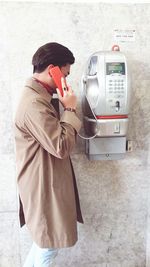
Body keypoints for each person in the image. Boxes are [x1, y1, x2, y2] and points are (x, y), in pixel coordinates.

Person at [14, 42, 83, 267]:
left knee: (43, 244)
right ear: (52, 69)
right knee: (47, 247)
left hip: (44, 181)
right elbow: (60, 145)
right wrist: (71, 109)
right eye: (64, 74)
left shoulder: (39, 96)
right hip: (43, 185)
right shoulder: (34, 103)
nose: (66, 81)